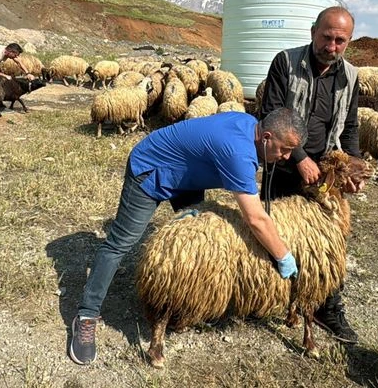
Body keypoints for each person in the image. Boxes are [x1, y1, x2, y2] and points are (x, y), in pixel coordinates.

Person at [69, 108, 308, 365]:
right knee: (121, 243)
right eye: (284, 149)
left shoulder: (251, 127)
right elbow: (256, 219)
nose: (285, 158)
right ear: (267, 136)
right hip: (151, 168)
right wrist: (283, 256)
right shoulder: (239, 152)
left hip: (187, 176)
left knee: (198, 242)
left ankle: (183, 304)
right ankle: (86, 315)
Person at [258, 5, 366, 344]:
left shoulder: (349, 76)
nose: (331, 47)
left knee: (327, 243)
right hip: (285, 165)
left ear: (348, 42)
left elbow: (349, 128)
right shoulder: (286, 63)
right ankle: (268, 295)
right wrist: (300, 157)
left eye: (340, 41)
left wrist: (354, 166)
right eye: (326, 37)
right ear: (312, 33)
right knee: (273, 234)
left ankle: (326, 306)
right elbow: (272, 112)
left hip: (324, 175)